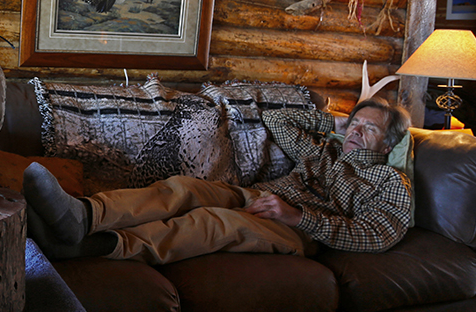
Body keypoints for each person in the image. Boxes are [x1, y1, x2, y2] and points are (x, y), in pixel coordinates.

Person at [23, 98, 413, 265]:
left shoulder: (390, 180)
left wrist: (298, 217)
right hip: (258, 197)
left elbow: (376, 235)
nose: (358, 132)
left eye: (370, 129)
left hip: (300, 232)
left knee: (215, 222)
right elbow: (279, 120)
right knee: (185, 188)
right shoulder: (322, 151)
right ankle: (84, 216)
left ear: (390, 142)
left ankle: (97, 246)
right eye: (356, 124)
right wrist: (335, 123)